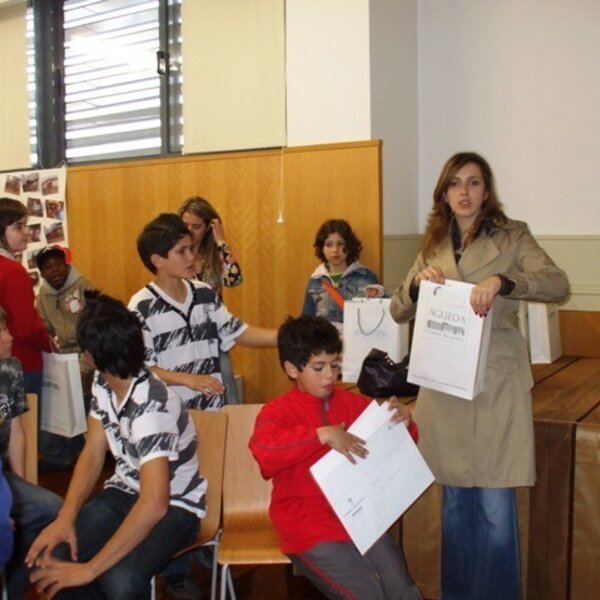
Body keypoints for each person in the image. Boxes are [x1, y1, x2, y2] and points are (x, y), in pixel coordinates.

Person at [390, 152, 570, 600]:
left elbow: (557, 283)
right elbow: (396, 309)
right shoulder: (432, 244)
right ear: (444, 194)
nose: (464, 192)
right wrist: (417, 285)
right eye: (454, 183)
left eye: (473, 182)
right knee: (454, 507)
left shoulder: (514, 235)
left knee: (494, 506)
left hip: (495, 384)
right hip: (443, 384)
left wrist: (504, 282)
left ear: (486, 191)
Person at [129, 213, 276, 598]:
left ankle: (207, 545)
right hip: (170, 423)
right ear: (158, 260)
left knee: (209, 486)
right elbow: (142, 367)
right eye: (182, 251)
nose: (192, 256)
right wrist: (186, 379)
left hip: (212, 417)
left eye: (191, 248)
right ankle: (175, 570)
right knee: (175, 496)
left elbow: (239, 332)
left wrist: (286, 336)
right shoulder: (140, 306)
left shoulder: (205, 294)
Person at [26, 292, 206, 600]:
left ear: (90, 356)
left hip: (177, 505)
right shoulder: (103, 380)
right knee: (53, 559)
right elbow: (93, 452)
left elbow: (155, 503)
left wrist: (90, 569)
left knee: (120, 580)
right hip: (126, 490)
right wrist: (66, 517)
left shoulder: (151, 406)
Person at [249, 315, 422, 600]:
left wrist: (404, 423)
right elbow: (265, 454)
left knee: (401, 589)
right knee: (366, 593)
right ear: (292, 369)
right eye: (319, 367)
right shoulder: (277, 412)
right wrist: (320, 435)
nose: (330, 375)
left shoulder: (352, 403)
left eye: (335, 364)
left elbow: (397, 445)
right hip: (307, 526)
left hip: (360, 519)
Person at [0, 198, 68, 471]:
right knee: (23, 432)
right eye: (18, 227)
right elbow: (26, 327)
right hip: (23, 361)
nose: (26, 233)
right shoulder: (12, 272)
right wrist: (49, 343)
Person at [0, 305, 62, 599]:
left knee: (52, 508)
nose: (9, 337)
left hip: (4, 477)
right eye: (0, 332)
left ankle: (13, 588)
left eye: (6, 328)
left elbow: (16, 431)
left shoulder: (10, 368)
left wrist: (22, 489)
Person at [178, 196, 243, 404]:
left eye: (196, 226)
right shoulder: (175, 255)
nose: (189, 231)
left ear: (208, 227)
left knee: (226, 390)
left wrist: (221, 241)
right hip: (183, 337)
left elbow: (233, 279)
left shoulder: (214, 255)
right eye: (185, 225)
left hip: (213, 336)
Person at [35, 245, 95, 409]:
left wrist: (84, 368)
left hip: (89, 358)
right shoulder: (42, 297)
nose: (55, 270)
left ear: (66, 265)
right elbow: (45, 332)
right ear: (42, 274)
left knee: (89, 407)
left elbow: (96, 331)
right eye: (48, 267)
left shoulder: (83, 286)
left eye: (58, 264)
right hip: (63, 363)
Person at [302, 219, 385, 332]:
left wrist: (377, 293)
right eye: (329, 245)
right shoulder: (315, 280)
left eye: (340, 244)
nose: (335, 250)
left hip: (357, 337)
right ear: (322, 248)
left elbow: (382, 313)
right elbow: (306, 322)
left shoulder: (366, 277)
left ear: (349, 246)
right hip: (324, 340)